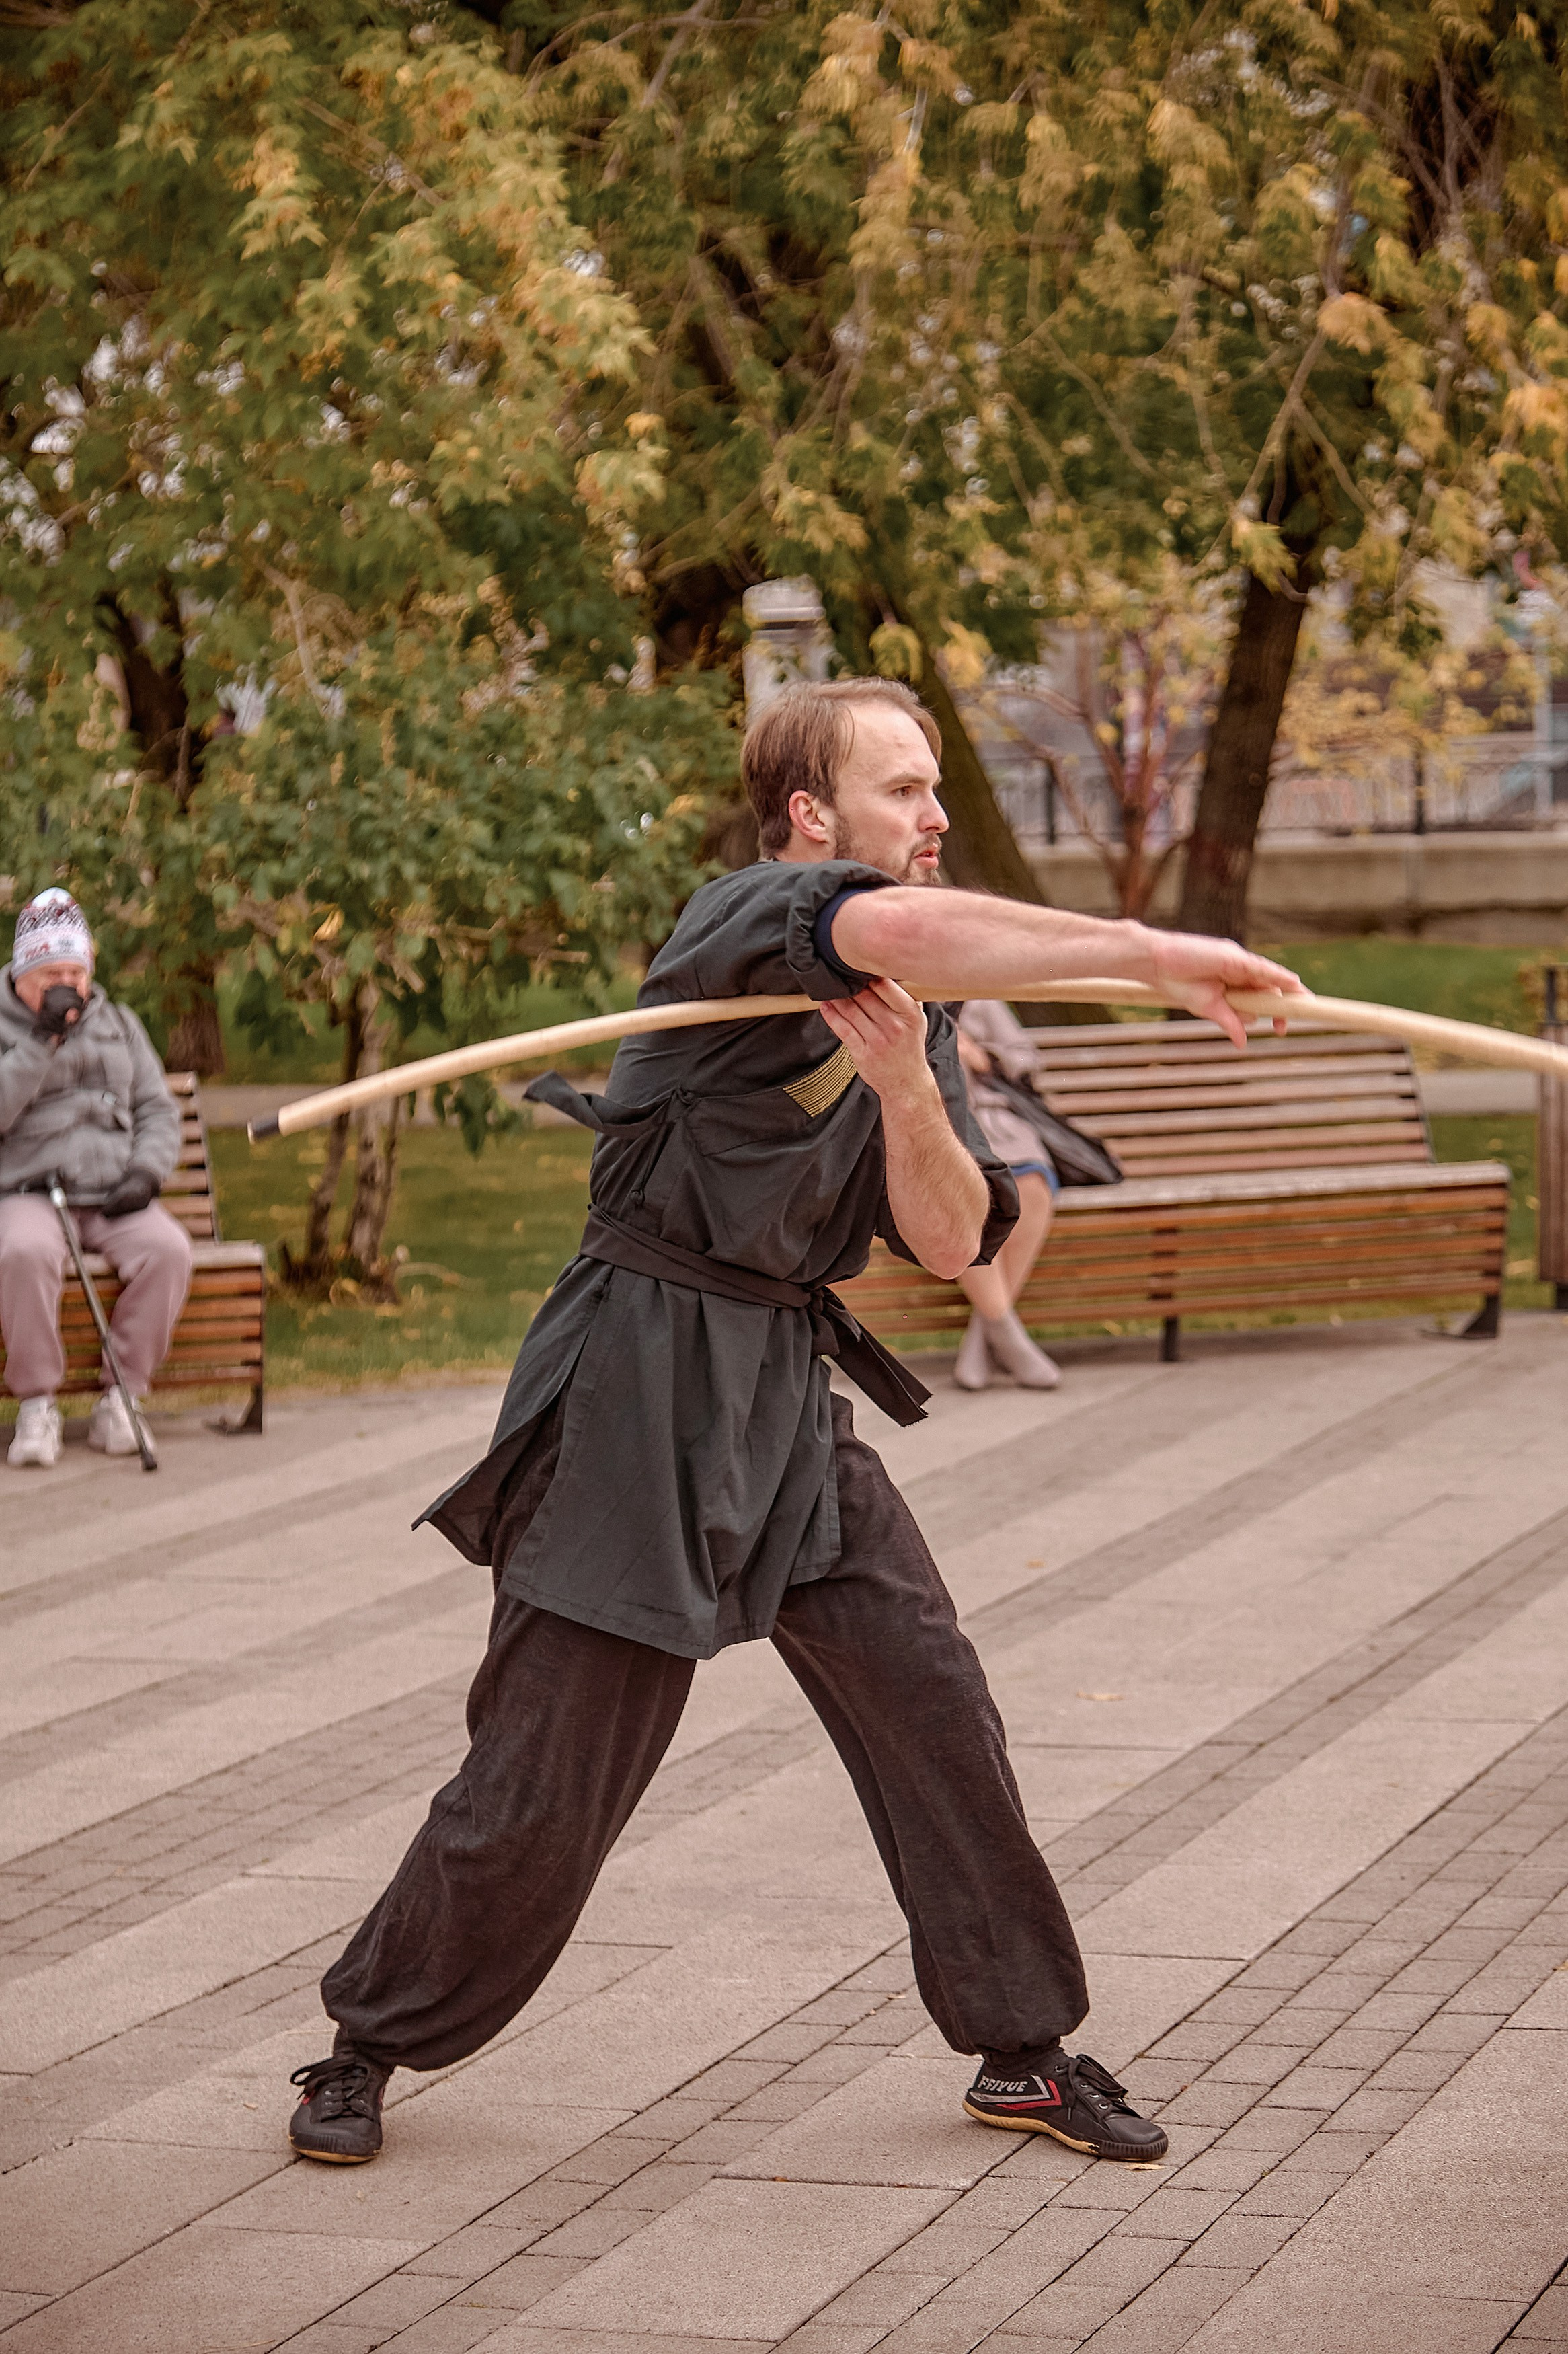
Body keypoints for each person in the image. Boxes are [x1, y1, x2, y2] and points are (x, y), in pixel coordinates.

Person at [286, 679, 1300, 2169]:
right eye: (902, 790)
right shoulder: (746, 916)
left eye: (937, 788)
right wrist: (1144, 955)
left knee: (935, 1711)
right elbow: (888, 927)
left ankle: (1020, 2049)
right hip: (635, 1393)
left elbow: (952, 1240)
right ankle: (365, 2040)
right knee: (541, 1785)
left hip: (780, 1392)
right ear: (811, 819)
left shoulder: (914, 997)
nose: (935, 817)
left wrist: (906, 1090)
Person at [0, 888, 192, 1468]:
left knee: (169, 1250)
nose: (68, 986)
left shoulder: (120, 1024)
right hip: (29, 1188)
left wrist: (147, 1172)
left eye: (76, 972)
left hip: (112, 1189)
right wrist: (41, 1043)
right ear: (21, 976)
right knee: (25, 1253)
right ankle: (36, 1403)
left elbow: (158, 1109)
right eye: (52, 974)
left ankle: (122, 1395)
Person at [953, 999, 1064, 1392]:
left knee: (1033, 1186)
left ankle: (985, 1338)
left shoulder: (979, 999)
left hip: (1000, 1124)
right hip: (936, 1125)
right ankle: (1007, 1338)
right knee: (959, 1201)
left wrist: (979, 1057)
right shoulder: (895, 994)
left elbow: (1024, 1060)